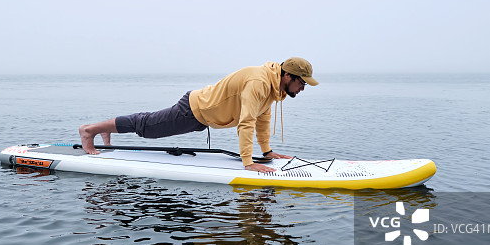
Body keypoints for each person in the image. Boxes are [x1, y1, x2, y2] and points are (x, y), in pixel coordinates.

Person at [78, 57, 319, 173]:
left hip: (203, 116)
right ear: (288, 76)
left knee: (148, 124)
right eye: (302, 83)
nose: (303, 88)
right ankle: (90, 130)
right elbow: (246, 123)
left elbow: (262, 118)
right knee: (148, 127)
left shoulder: (273, 89)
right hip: (194, 110)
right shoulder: (259, 82)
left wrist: (266, 151)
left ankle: (105, 128)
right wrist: (248, 163)